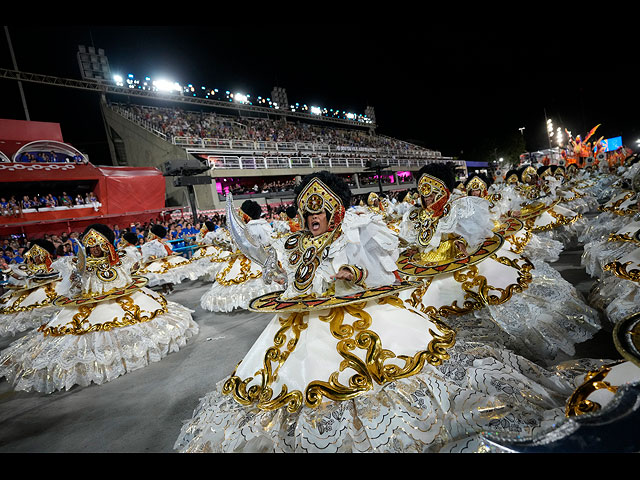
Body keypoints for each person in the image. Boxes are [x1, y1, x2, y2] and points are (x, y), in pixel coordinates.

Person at [175, 170, 607, 453]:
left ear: (334, 211)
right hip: (298, 330)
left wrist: (353, 272)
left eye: (318, 211)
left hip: (365, 321)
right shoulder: (295, 243)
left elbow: (380, 274)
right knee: (281, 391)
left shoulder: (359, 232)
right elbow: (290, 279)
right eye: (306, 211)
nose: (311, 218)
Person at [0, 223, 198, 393]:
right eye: (91, 246)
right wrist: (76, 277)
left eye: (98, 246)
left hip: (120, 301)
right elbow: (72, 289)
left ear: (106, 245)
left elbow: (128, 276)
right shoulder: (79, 264)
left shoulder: (121, 259)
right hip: (88, 304)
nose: (94, 250)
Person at [200, 200, 281, 313]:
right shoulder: (264, 225)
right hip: (264, 257)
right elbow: (269, 242)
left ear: (245, 214)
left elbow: (239, 246)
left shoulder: (246, 229)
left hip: (247, 258)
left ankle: (249, 300)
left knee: (242, 280)